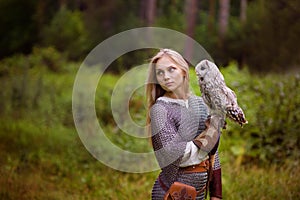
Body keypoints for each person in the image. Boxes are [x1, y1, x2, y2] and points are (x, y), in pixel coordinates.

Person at [146, 49, 222, 200]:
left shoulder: (200, 104)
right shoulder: (160, 110)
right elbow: (177, 155)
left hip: (199, 193)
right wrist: (209, 135)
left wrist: (216, 193)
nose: (166, 77)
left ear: (183, 70)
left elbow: (213, 152)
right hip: (172, 193)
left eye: (171, 69)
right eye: (160, 73)